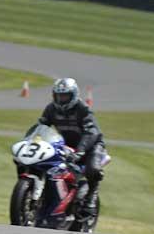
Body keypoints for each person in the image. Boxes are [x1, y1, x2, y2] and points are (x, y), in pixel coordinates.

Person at [37, 77, 106, 220]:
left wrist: (80, 151)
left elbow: (91, 132)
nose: (61, 99)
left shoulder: (82, 109)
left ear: (74, 95)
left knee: (92, 169)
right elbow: (41, 127)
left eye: (65, 95)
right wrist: (34, 142)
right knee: (48, 165)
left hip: (91, 145)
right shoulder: (51, 109)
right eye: (58, 95)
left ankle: (91, 197)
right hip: (66, 145)